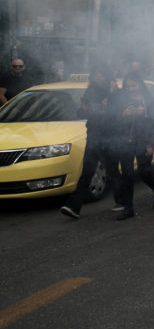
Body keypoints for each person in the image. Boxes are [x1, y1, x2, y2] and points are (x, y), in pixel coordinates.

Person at [60, 66, 117, 219]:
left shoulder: (114, 91)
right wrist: (84, 108)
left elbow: (117, 113)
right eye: (95, 76)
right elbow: (82, 112)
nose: (98, 79)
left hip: (110, 136)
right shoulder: (90, 91)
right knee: (87, 170)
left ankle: (123, 202)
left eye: (101, 76)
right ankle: (73, 206)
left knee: (113, 170)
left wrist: (111, 97)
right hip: (94, 135)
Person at [108, 72, 154, 220]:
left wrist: (152, 144)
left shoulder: (148, 100)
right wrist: (123, 115)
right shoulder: (121, 100)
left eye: (133, 85)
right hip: (126, 142)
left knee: (144, 171)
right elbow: (113, 120)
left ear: (139, 85)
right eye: (128, 86)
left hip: (145, 141)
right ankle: (128, 208)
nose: (130, 88)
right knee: (127, 174)